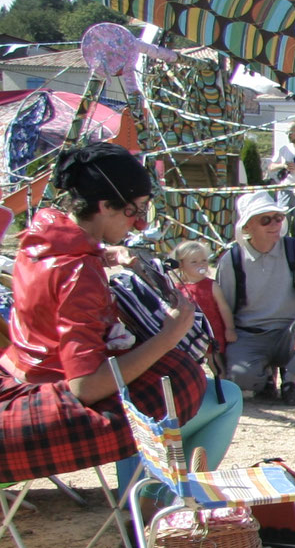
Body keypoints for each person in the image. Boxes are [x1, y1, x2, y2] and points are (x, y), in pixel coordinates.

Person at [0, 142, 235, 494]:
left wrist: (108, 254)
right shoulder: (78, 271)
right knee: (198, 385)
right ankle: (153, 498)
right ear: (105, 205)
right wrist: (168, 337)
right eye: (133, 211)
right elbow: (86, 386)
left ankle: (158, 493)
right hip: (54, 388)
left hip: (23, 371)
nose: (139, 223)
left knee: (183, 381)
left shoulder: (41, 239)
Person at [214, 190, 295, 405]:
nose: (274, 224)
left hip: (288, 331)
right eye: (265, 220)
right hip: (249, 334)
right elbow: (224, 305)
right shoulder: (231, 260)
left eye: (278, 218)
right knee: (239, 378)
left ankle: (290, 382)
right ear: (247, 227)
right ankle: (264, 378)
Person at [171, 240, 229, 348]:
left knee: (214, 359)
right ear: (181, 264)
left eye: (204, 260)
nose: (201, 264)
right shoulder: (177, 288)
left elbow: (224, 308)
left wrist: (230, 329)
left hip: (212, 331)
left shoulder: (211, 286)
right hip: (189, 333)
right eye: (194, 262)